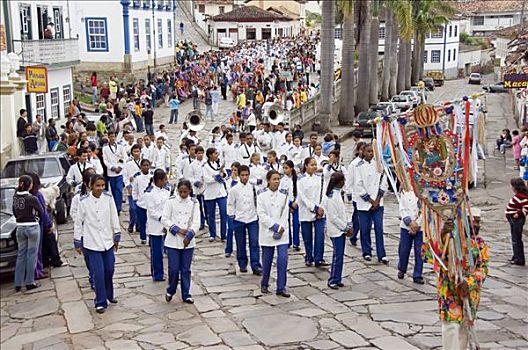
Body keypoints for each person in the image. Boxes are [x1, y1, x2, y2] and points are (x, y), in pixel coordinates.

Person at [423, 212, 488, 350]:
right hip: (449, 290)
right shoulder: (448, 238)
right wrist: (442, 234)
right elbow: (428, 255)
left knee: (465, 327)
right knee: (451, 326)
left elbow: (483, 269)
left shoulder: (480, 244)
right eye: (472, 221)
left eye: (478, 222)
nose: (475, 225)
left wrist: (469, 283)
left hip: (469, 293)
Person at [74, 174, 121, 313]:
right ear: (91, 186)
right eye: (97, 186)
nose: (100, 188)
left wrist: (116, 235)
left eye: (102, 185)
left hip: (107, 240)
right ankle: (100, 301)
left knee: (109, 269)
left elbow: (114, 217)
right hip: (91, 242)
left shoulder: (108, 198)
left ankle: (109, 294)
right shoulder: (83, 201)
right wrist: (77, 241)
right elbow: (78, 223)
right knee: (98, 273)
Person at [161, 179, 200, 304]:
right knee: (173, 268)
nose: (183, 194)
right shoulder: (171, 202)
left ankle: (186, 293)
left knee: (186, 269)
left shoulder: (194, 203)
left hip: (188, 241)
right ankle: (171, 289)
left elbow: (196, 221)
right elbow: (164, 219)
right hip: (173, 241)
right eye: (181, 191)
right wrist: (176, 229)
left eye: (186, 192)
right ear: (177, 190)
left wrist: (190, 234)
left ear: (189, 191)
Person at [257, 170, 290, 297]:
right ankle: (265, 282)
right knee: (267, 260)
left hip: (282, 232)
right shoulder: (261, 195)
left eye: (278, 179)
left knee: (283, 259)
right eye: (274, 179)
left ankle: (281, 287)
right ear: (268, 180)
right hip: (268, 231)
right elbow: (262, 215)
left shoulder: (284, 195)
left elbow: (285, 214)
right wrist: (274, 227)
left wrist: (281, 228)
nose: (277, 182)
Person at [355, 144, 389, 264]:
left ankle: (382, 254)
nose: (371, 153)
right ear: (363, 152)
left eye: (372, 151)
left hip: (378, 203)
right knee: (365, 229)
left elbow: (384, 182)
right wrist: (370, 200)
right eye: (368, 151)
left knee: (379, 228)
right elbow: (358, 185)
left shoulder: (379, 165)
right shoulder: (358, 167)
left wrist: (378, 199)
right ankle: (367, 251)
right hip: (364, 204)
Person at [12, 175, 45, 292]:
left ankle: (18, 282)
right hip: (32, 226)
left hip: (20, 227)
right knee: (32, 254)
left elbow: (14, 212)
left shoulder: (15, 197)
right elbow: (41, 212)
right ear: (30, 185)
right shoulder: (32, 198)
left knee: (21, 254)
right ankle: (30, 281)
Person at [227, 165, 261, 275]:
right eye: (243, 175)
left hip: (252, 218)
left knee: (254, 242)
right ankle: (242, 263)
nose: (245, 177)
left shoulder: (253, 187)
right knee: (240, 243)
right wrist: (232, 216)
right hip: (239, 219)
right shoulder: (234, 189)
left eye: (247, 175)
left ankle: (255, 265)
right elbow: (231, 204)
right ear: (239, 175)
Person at [322, 172, 352, 289]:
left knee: (340, 255)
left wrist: (348, 224)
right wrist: (345, 227)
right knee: (337, 256)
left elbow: (342, 212)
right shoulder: (331, 197)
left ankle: (338, 278)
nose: (344, 182)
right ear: (339, 182)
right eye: (343, 180)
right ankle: (333, 279)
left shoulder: (338, 194)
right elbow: (334, 217)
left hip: (341, 229)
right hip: (336, 230)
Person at [297, 157, 327, 267]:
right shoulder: (301, 179)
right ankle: (309, 257)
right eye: (312, 165)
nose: (314, 167)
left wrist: (321, 208)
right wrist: (314, 208)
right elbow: (302, 197)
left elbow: (324, 193)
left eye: (315, 165)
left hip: (320, 211)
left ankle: (319, 258)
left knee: (320, 235)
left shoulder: (320, 178)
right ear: (306, 166)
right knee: (307, 236)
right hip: (306, 211)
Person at [70, 168, 97, 289]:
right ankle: (93, 277)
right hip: (85, 233)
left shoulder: (102, 196)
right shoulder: (78, 198)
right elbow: (74, 213)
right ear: (87, 183)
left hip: (99, 232)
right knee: (90, 258)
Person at [146, 169, 171, 281]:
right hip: (156, 225)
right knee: (157, 253)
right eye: (164, 179)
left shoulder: (166, 191)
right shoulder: (150, 193)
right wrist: (162, 218)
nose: (166, 181)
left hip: (167, 225)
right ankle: (158, 274)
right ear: (159, 181)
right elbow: (152, 211)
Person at [397, 188, 424, 284]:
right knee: (404, 249)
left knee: (419, 251)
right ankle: (402, 268)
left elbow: (425, 208)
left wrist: (417, 224)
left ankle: (417, 274)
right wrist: (409, 222)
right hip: (406, 226)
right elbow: (402, 208)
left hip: (420, 226)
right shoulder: (405, 191)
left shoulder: (423, 189)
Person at [203, 148, 228, 242]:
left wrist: (223, 175)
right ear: (210, 155)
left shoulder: (219, 164)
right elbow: (206, 179)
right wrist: (216, 178)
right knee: (211, 214)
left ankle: (223, 235)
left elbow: (225, 174)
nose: (217, 155)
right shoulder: (205, 166)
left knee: (224, 212)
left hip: (221, 192)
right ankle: (212, 234)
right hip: (210, 192)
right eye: (215, 153)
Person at [102, 132, 127, 214]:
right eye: (111, 136)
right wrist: (112, 167)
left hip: (119, 172)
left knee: (119, 189)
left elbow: (125, 157)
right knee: (113, 190)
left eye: (114, 136)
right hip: (111, 172)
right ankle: (115, 206)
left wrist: (120, 167)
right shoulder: (105, 148)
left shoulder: (120, 146)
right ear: (108, 137)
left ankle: (118, 208)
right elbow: (105, 160)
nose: (113, 138)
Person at [505, 178, 528, 266]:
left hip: (517, 220)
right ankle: (516, 256)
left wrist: (518, 214)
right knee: (515, 238)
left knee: (516, 239)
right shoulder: (519, 195)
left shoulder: (522, 197)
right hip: (513, 219)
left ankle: (519, 259)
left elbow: (526, 208)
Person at [281, 160, 300, 250]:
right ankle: (288, 241)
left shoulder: (297, 178)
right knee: (286, 222)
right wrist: (289, 204)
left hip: (296, 202)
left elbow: (300, 192)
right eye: (284, 168)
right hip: (286, 203)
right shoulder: (282, 180)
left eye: (286, 168)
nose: (285, 170)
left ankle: (296, 242)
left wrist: (296, 202)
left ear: (291, 168)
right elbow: (282, 194)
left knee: (296, 223)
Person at [133, 159, 153, 245]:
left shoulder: (152, 177)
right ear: (141, 167)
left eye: (147, 165)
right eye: (144, 165)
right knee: (142, 221)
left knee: (150, 221)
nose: (145, 167)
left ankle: (150, 237)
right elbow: (135, 189)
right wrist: (136, 199)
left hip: (150, 203)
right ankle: (143, 237)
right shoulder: (137, 178)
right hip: (140, 203)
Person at [123, 145, 142, 233]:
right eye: (134, 151)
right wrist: (128, 186)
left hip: (141, 189)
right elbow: (125, 177)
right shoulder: (128, 164)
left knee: (139, 208)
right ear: (132, 153)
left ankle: (138, 225)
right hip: (132, 188)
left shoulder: (144, 163)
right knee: (133, 208)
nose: (136, 153)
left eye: (138, 151)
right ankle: (131, 223)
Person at [225, 162, 240, 257]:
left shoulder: (241, 180)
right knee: (230, 229)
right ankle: (228, 249)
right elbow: (229, 191)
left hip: (239, 208)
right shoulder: (228, 180)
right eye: (232, 170)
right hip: (230, 207)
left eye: (235, 170)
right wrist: (232, 180)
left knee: (239, 231)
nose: (233, 172)